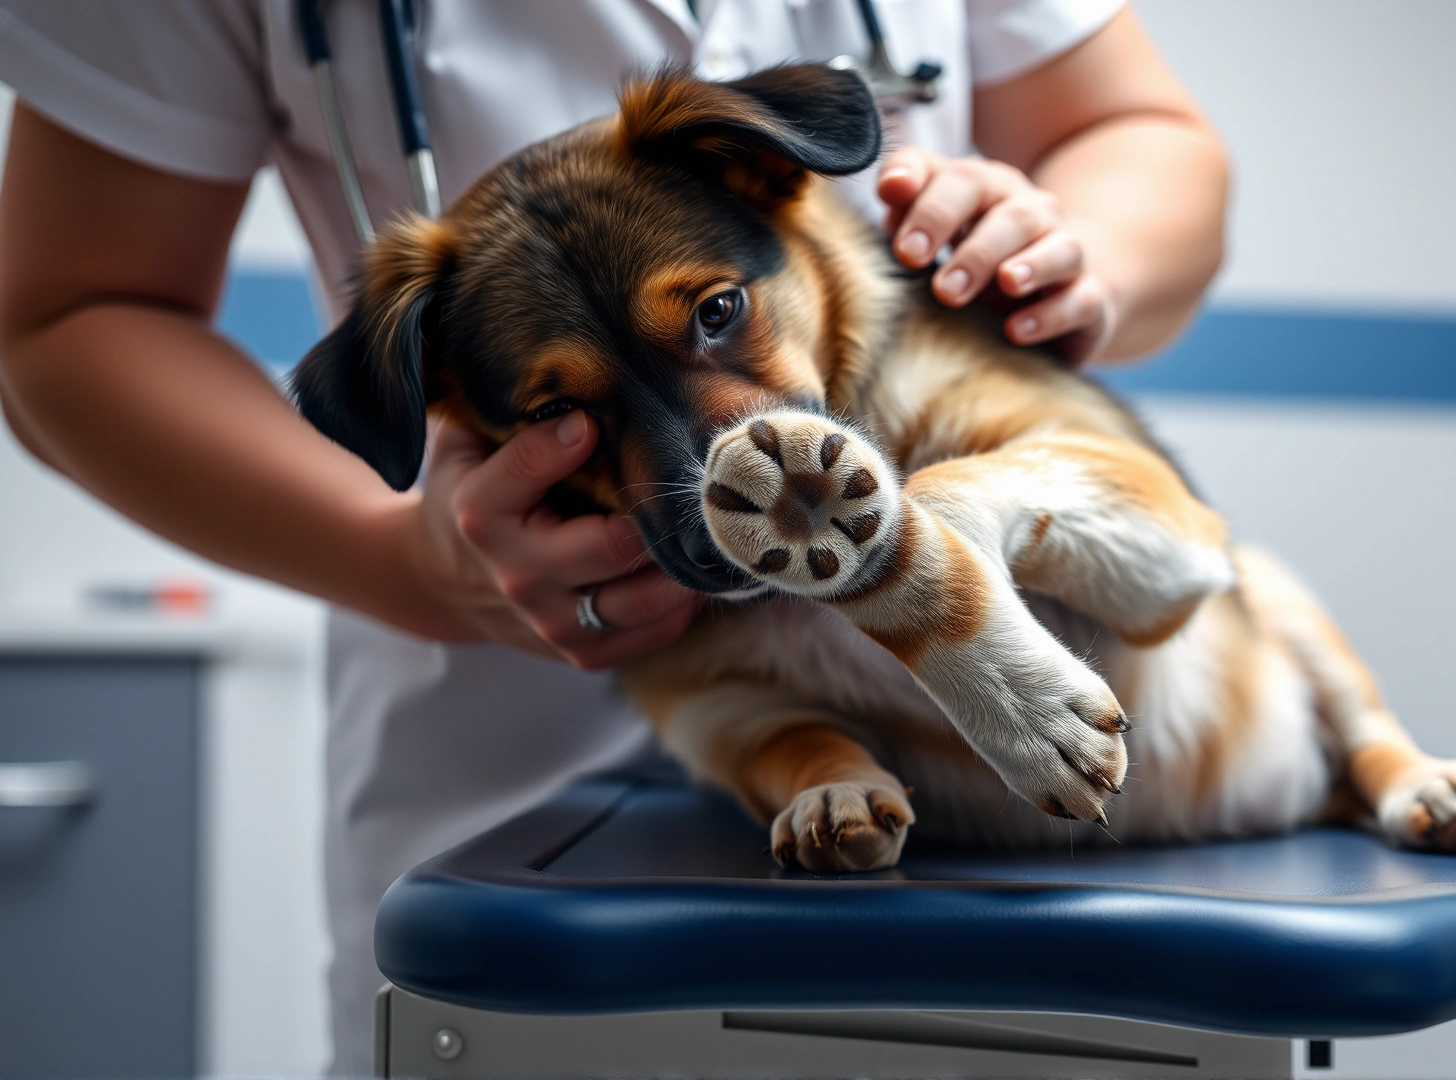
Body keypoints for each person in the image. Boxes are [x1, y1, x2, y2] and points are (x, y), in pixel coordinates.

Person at [0, 1, 1227, 1073]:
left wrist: (1077, 257)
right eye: (565, 404)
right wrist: (404, 561)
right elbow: (68, 314)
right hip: (513, 817)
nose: (713, 476)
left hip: (1011, 838)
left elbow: (1139, 131)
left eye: (715, 320)